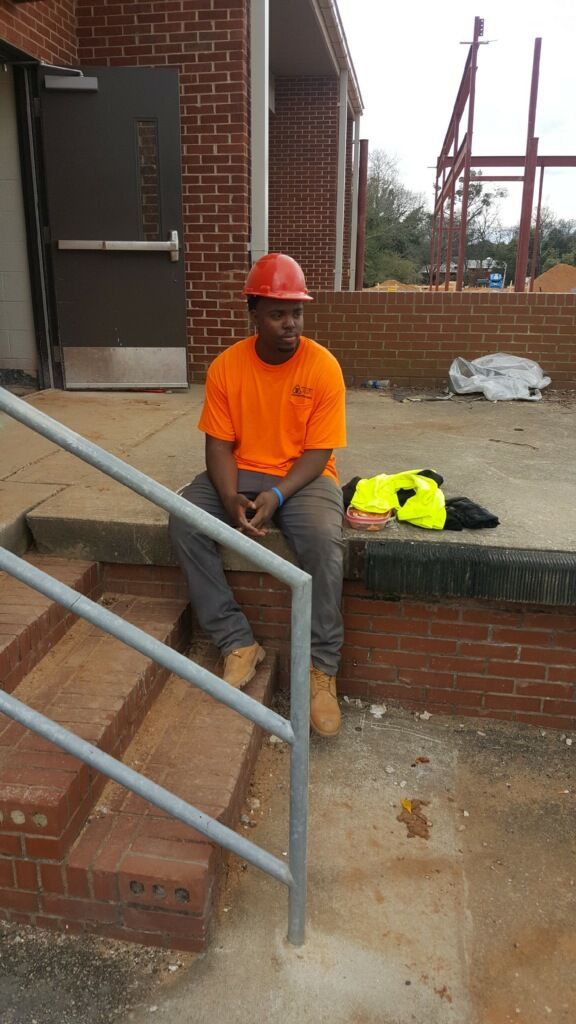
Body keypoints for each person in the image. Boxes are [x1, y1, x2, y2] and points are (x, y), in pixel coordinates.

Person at [169, 253, 346, 738]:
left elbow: (318, 451)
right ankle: (237, 642)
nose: (290, 324)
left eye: (297, 312)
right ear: (254, 314)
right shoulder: (228, 367)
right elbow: (218, 445)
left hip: (303, 477)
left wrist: (277, 495)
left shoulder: (323, 366)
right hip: (240, 470)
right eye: (277, 313)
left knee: (324, 542)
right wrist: (229, 499)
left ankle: (321, 668)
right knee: (185, 519)